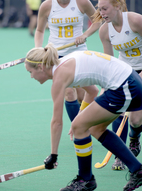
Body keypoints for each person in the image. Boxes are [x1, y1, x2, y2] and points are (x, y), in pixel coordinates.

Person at [25, 44, 142, 191]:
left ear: (41, 67)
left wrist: (53, 155)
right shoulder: (65, 64)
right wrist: (80, 117)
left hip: (124, 86)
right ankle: (137, 170)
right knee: (94, 128)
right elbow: (92, 91)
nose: (31, 76)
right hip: (129, 82)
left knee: (79, 126)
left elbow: (56, 122)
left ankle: (85, 179)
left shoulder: (59, 77)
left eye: (30, 71)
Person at [35, 0, 101, 124]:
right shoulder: (47, 5)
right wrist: (38, 48)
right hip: (57, 56)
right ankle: (77, 129)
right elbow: (39, 30)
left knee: (83, 95)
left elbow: (98, 20)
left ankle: (85, 122)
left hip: (79, 54)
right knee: (69, 92)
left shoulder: (82, 2)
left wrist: (85, 35)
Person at [94, 0, 142, 171]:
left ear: (118, 6)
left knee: (136, 120)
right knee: (118, 110)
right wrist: (106, 87)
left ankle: (134, 139)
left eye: (105, 8)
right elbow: (110, 62)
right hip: (125, 72)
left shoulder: (136, 21)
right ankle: (121, 156)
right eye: (100, 9)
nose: (102, 13)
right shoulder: (104, 31)